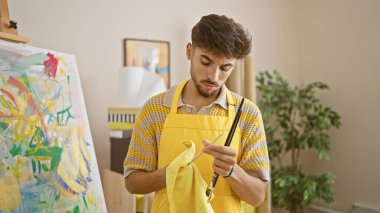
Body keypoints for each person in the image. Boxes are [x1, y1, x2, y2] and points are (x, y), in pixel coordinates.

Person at [124, 14, 270, 212]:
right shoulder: (155, 110)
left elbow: (257, 196)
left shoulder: (247, 114)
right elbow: (132, 183)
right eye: (206, 62)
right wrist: (170, 174)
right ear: (189, 51)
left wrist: (232, 170)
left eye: (225, 68)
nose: (214, 76)